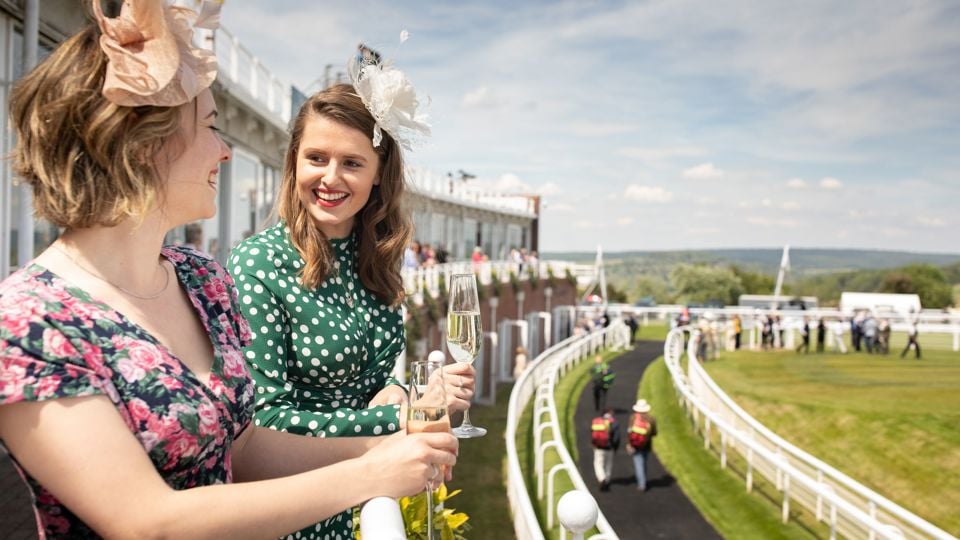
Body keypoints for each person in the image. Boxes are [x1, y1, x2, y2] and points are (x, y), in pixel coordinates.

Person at [0, 3, 457, 538]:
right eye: (212, 127)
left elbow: (244, 449)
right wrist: (370, 469)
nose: (224, 152)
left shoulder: (200, 280)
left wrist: (396, 444)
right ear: (146, 146)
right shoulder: (32, 323)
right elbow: (146, 522)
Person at [226, 69, 475, 537]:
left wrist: (399, 392)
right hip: (286, 512)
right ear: (294, 162)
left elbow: (368, 383)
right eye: (316, 158)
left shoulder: (374, 261)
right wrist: (404, 414)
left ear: (379, 173)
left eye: (352, 163)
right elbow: (260, 422)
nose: (330, 178)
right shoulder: (258, 263)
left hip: (343, 507)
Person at [625, 399, 657, 491]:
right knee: (644, 463)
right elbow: (654, 433)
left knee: (638, 464)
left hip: (635, 445)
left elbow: (629, 432)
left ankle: (641, 484)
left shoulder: (633, 418)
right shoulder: (651, 419)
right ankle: (643, 482)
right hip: (646, 445)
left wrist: (628, 443)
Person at [590, 407, 620, 491]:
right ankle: (606, 480)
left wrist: (594, 444)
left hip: (598, 447)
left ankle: (601, 478)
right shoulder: (614, 422)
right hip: (609, 448)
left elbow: (593, 434)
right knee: (608, 464)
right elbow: (617, 438)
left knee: (598, 464)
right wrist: (615, 447)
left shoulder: (597, 421)